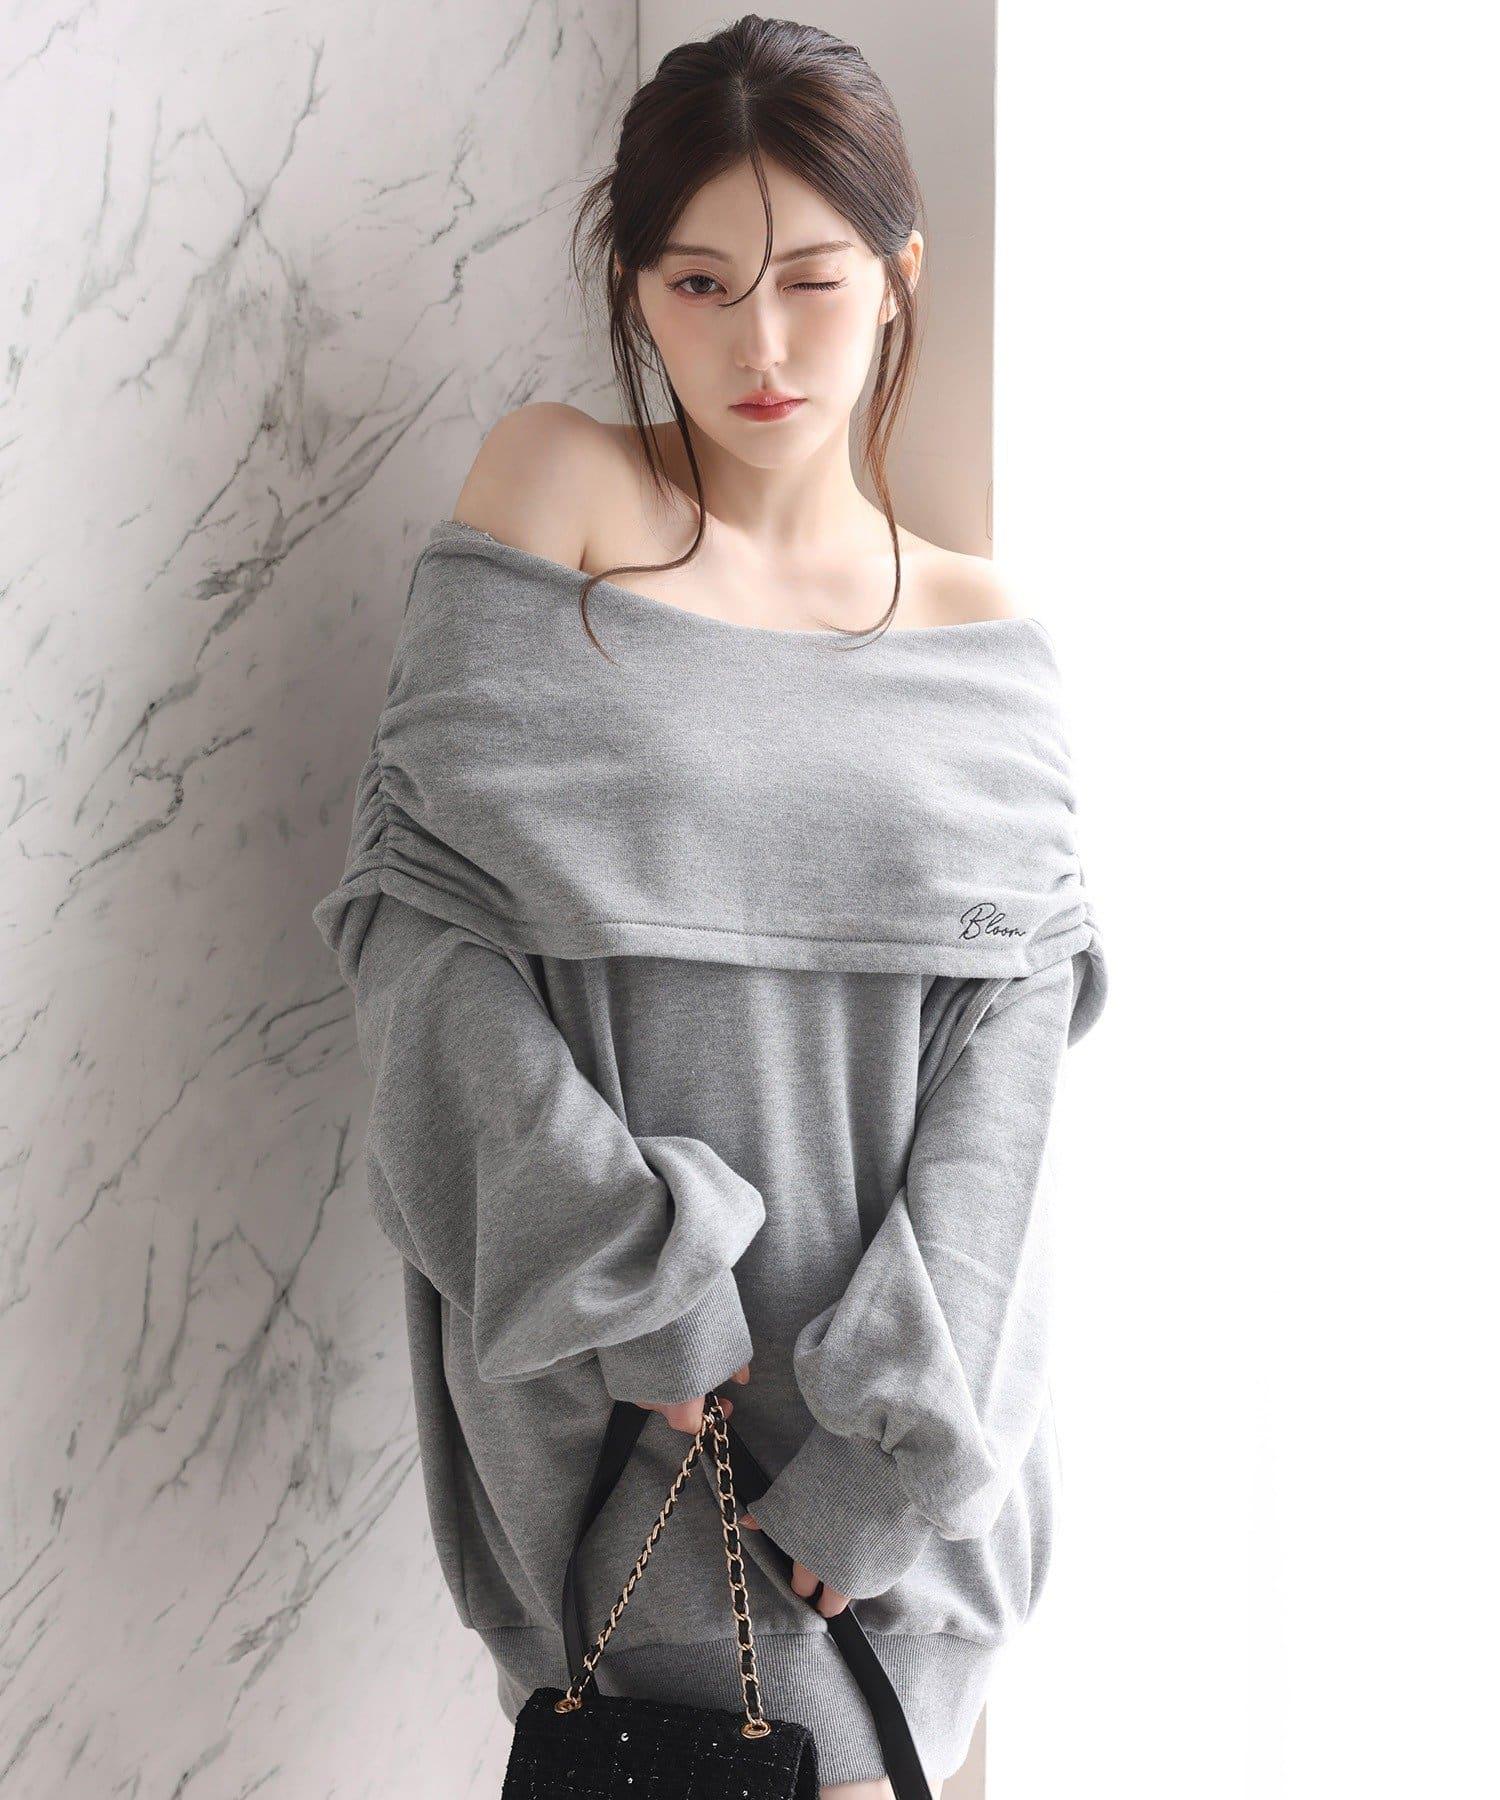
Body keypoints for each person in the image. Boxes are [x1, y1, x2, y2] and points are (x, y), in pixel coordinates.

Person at [312, 18, 1107, 1799]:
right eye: (701, 284)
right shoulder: (558, 494)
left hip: (894, 1498)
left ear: (898, 280)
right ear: (637, 290)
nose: (761, 346)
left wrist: (899, 1454)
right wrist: (635, 1286)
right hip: (624, 1424)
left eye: (813, 280)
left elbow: (1013, 1092)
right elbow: (418, 939)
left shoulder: (982, 631)